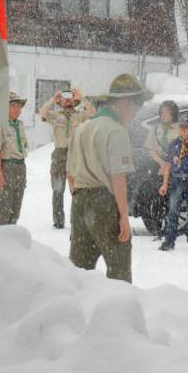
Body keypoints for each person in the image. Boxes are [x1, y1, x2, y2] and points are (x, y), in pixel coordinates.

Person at [67, 74, 152, 282]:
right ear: (123, 102)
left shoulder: (82, 128)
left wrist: (82, 201)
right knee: (118, 270)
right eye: (135, 107)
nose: (134, 114)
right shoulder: (116, 131)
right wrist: (123, 216)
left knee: (79, 272)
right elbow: (118, 178)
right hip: (104, 202)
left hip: (79, 201)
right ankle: (118, 313)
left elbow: (70, 175)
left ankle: (77, 310)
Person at [41, 87, 95, 229]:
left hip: (75, 154)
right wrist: (53, 100)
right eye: (65, 97)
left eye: (71, 97)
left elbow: (94, 114)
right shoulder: (55, 115)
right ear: (61, 100)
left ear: (74, 99)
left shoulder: (80, 115)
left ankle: (77, 220)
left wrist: (82, 98)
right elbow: (43, 113)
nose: (68, 100)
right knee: (58, 189)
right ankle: (58, 221)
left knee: (77, 189)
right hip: (59, 154)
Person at [158, 115, 188, 252]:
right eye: (182, 128)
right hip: (176, 180)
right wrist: (165, 184)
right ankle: (169, 241)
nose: (185, 131)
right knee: (172, 212)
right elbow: (167, 165)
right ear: (178, 129)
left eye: (187, 128)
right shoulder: (173, 144)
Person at [143, 100, 180, 239]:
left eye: (168, 112)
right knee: (157, 198)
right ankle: (157, 229)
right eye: (162, 112)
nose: (164, 115)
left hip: (174, 167)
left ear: (173, 114)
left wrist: (169, 163)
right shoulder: (154, 129)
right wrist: (160, 162)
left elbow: (181, 149)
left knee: (172, 199)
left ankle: (170, 230)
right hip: (157, 166)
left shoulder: (179, 129)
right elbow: (151, 149)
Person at [0, 92, 28, 226]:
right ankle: (0, 240)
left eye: (18, 106)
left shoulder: (19, 125)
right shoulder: (1, 125)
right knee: (4, 209)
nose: (17, 109)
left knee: (16, 209)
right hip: (7, 167)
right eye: (13, 106)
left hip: (20, 166)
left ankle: (10, 239)